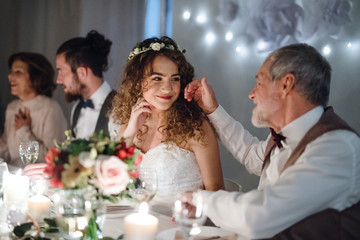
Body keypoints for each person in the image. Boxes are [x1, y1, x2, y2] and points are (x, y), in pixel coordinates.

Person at [183, 43, 360, 239]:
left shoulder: (337, 147)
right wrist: (212, 110)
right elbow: (251, 154)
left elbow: (260, 215)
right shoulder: (285, 136)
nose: (251, 94)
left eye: (259, 83)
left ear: (286, 84)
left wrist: (202, 200)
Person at [111, 36, 225, 206]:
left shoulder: (195, 126)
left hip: (180, 226)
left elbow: (216, 191)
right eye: (157, 78)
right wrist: (130, 132)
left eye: (175, 78)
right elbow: (111, 182)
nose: (167, 88)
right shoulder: (129, 124)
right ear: (137, 81)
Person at [0, 52, 67, 167]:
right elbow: (7, 152)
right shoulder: (12, 107)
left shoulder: (50, 108)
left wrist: (24, 131)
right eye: (11, 72)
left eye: (18, 72)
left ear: (36, 79)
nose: (10, 77)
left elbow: (52, 158)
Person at [56, 30, 118, 139]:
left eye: (62, 71)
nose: (58, 80)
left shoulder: (119, 108)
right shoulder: (76, 109)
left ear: (82, 73)